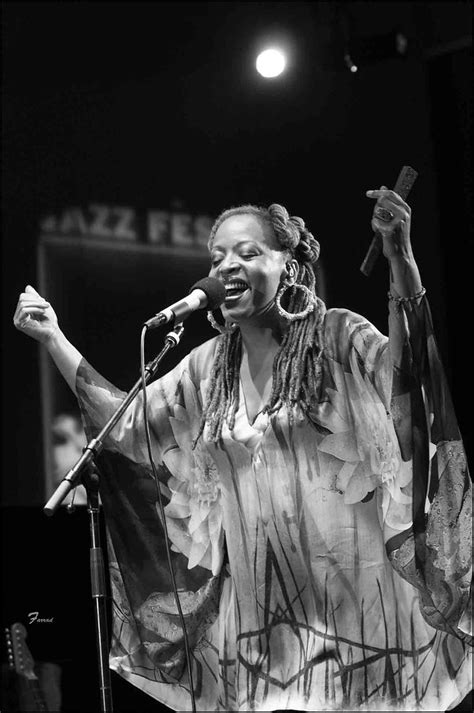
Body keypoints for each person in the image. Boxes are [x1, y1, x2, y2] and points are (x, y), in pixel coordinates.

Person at [13, 190, 472, 712]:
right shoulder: (208, 368)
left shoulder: (337, 337)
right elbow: (129, 429)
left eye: (248, 253)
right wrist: (53, 337)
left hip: (359, 623)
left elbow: (409, 378)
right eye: (217, 259)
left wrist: (401, 259)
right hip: (259, 637)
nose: (227, 266)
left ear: (290, 265)